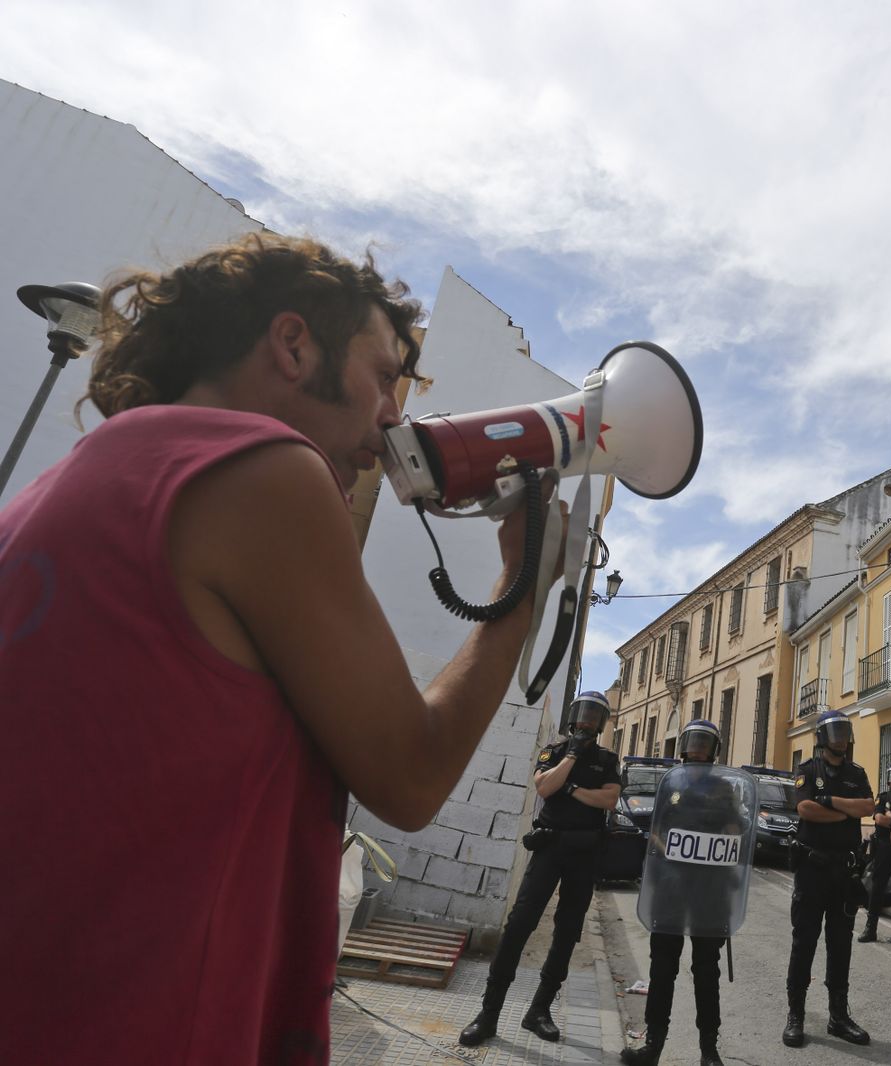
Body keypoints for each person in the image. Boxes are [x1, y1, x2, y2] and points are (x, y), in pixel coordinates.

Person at [0, 233, 563, 1066]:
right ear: (293, 345)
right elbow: (410, 776)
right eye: (382, 377)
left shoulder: (72, 479)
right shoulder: (263, 467)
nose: (392, 422)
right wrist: (524, 586)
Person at [460, 692, 623, 1046]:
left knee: (567, 933)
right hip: (549, 849)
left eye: (595, 717)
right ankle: (489, 1015)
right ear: (571, 716)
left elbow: (609, 800)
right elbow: (546, 787)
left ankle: (539, 1010)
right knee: (519, 925)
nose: (586, 722)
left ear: (602, 722)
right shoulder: (554, 750)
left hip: (584, 853)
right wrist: (574, 756)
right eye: (582, 714)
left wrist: (573, 787)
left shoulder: (608, 759)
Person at [622, 719, 746, 1066]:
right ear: (683, 747)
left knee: (707, 969)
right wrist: (668, 850)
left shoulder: (724, 788)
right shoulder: (670, 784)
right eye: (693, 742)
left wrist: (726, 836)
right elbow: (657, 829)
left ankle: (709, 1049)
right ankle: (653, 1046)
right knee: (663, 967)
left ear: (713, 750)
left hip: (710, 889)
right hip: (672, 887)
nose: (697, 749)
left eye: (705, 744)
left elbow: (736, 830)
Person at [783, 709, 874, 1048]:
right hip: (812, 871)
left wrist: (831, 803)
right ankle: (796, 1015)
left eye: (844, 731)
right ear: (822, 737)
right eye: (834, 732)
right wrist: (844, 812)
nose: (840, 738)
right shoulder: (808, 770)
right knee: (803, 942)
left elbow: (867, 808)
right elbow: (806, 810)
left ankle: (838, 1016)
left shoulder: (857, 772)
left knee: (841, 945)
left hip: (844, 873)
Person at [858, 762, 891, 943]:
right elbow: (879, 819)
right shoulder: (883, 796)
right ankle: (870, 928)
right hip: (884, 847)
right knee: (877, 888)